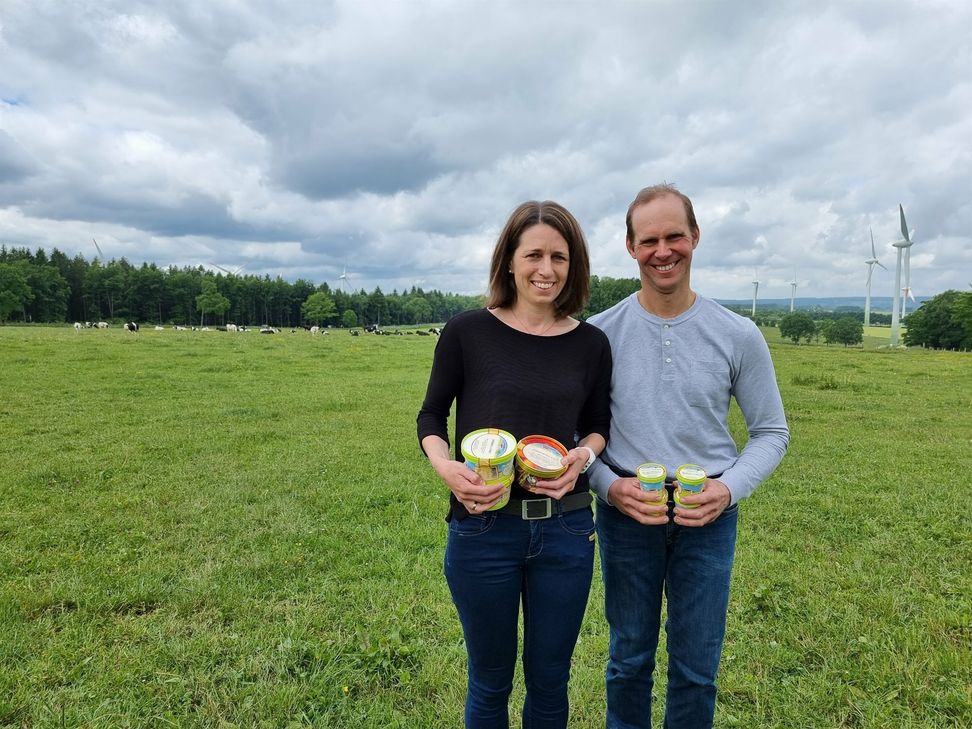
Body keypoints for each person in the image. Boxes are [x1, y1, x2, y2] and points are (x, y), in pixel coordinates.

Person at [586, 184, 789, 729]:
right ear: (630, 247)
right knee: (628, 661)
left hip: (709, 513)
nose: (663, 250)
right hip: (629, 512)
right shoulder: (600, 335)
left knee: (697, 668)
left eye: (675, 235)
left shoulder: (738, 334)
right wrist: (609, 487)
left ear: (695, 237)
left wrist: (728, 490)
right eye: (648, 239)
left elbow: (771, 431)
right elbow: (578, 439)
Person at [417, 200, 613, 728]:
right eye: (533, 255)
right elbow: (432, 415)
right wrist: (445, 466)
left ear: (574, 267)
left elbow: (599, 426)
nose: (545, 269)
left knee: (551, 680)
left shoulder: (591, 343)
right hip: (483, 529)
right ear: (508, 260)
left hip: (566, 532)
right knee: (490, 677)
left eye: (559, 257)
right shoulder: (466, 332)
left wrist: (584, 456)